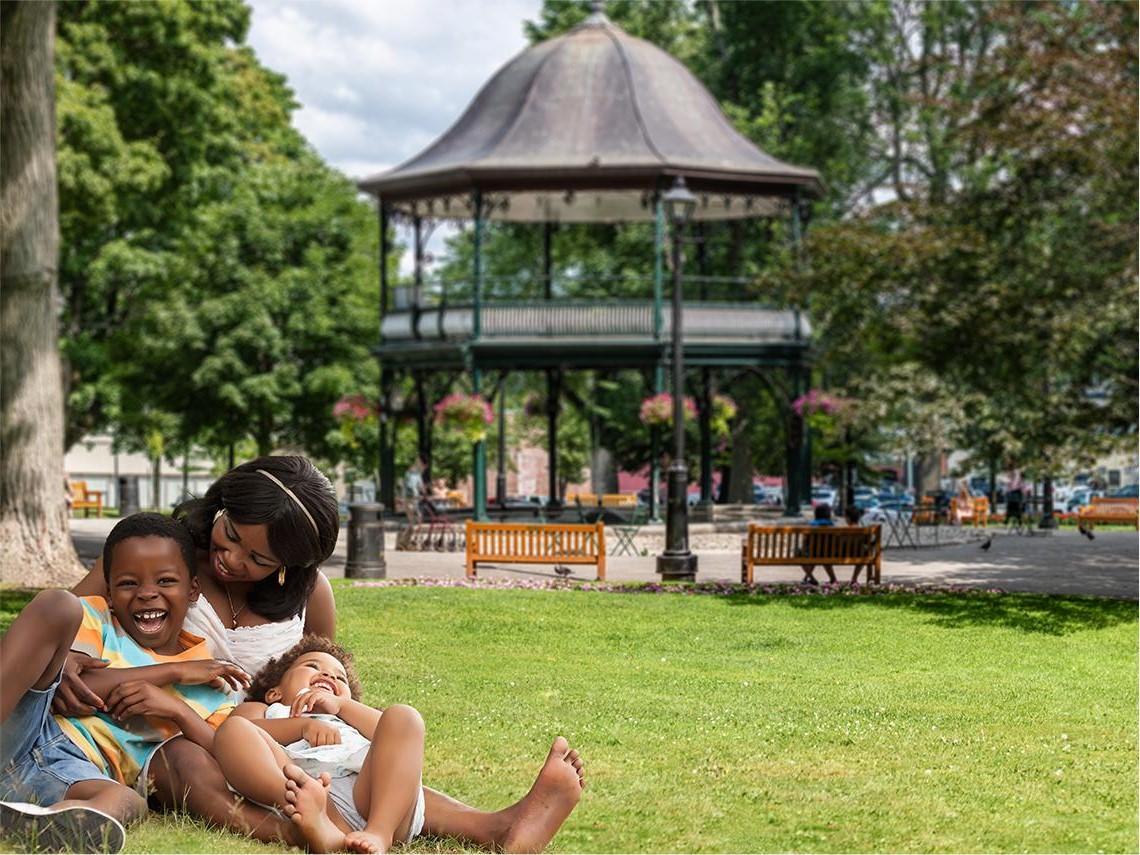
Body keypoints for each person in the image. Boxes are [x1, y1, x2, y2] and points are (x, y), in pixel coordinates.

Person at [59, 455, 586, 852]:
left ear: (288, 566)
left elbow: (327, 674)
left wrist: (334, 722)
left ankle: (497, 828)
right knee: (191, 760)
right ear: (220, 506)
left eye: (256, 557)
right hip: (172, 735)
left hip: (277, 736)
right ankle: (308, 832)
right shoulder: (161, 557)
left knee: (352, 765)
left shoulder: (310, 598)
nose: (229, 558)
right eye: (230, 533)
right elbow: (72, 620)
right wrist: (67, 664)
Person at [0, 513, 241, 852]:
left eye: (166, 581)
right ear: (110, 592)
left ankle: (48, 823)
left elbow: (226, 755)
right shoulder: (97, 620)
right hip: (27, 729)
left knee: (127, 801)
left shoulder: (213, 685)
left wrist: (178, 711)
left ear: (193, 590)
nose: (147, 594)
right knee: (58, 604)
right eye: (129, 583)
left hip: (76, 773)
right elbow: (75, 688)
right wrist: (171, 673)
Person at [216, 638, 422, 853]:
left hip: (373, 798)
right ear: (275, 692)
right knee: (234, 729)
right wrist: (302, 725)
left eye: (340, 677)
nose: (329, 676)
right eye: (312, 666)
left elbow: (400, 737)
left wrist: (342, 706)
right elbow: (244, 732)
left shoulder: (350, 716)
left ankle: (379, 833)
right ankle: (324, 825)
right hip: (310, 793)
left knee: (405, 716)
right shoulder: (270, 709)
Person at [800, 503, 837, 585]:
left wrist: (803, 548)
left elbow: (805, 540)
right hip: (828, 553)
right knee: (822, 556)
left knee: (801, 555)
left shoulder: (812, 524)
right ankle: (833, 579)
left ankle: (811, 578)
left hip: (813, 552)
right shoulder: (831, 525)